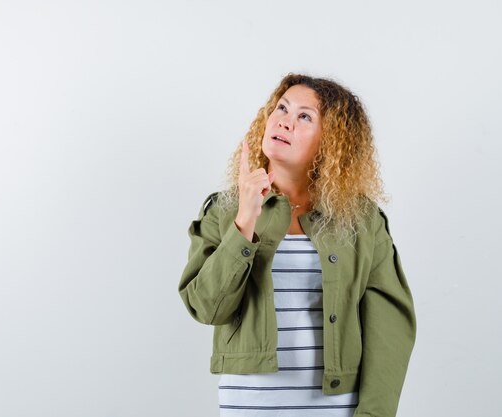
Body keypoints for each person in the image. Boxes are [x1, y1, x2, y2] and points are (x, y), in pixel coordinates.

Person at [177, 73, 416, 417]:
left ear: (332, 141)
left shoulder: (362, 220)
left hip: (336, 408)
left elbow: (390, 328)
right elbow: (207, 308)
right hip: (250, 406)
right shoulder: (224, 210)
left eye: (304, 116)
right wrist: (245, 220)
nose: (284, 121)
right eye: (282, 108)